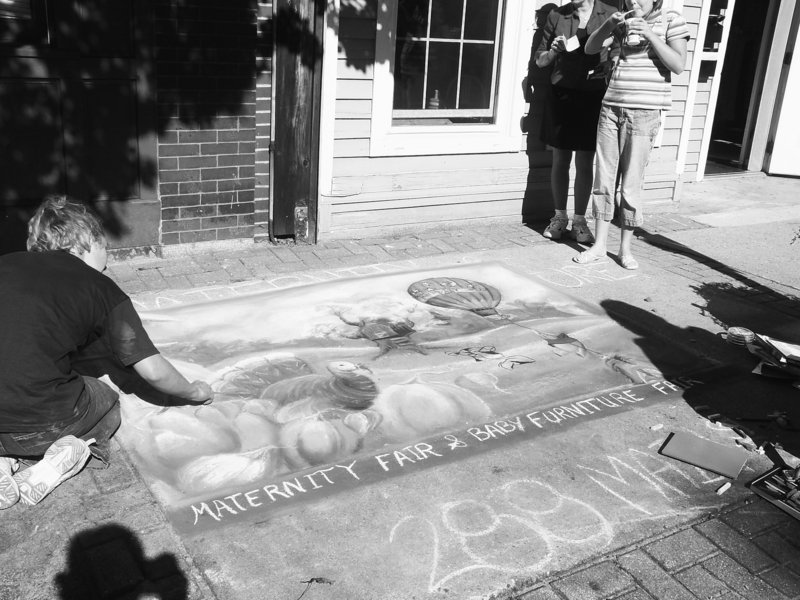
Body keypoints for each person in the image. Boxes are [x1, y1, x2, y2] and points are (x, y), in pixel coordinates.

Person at [0, 196, 214, 510]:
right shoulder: (100, 288)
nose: (108, 259)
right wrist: (195, 392)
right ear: (87, 241)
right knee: (109, 400)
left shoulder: (5, 262)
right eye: (106, 247)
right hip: (44, 425)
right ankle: (56, 462)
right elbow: (152, 370)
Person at [574, 0, 689, 269]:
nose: (634, 1)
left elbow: (678, 64)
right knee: (604, 179)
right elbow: (590, 48)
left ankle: (625, 249)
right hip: (612, 108)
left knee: (631, 184)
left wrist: (649, 33)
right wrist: (609, 25)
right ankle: (600, 246)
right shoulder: (622, 19)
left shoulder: (671, 18)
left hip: (645, 112)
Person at [532, 0, 617, 244]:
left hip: (593, 94)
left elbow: (619, 51)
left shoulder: (609, 15)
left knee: (585, 160)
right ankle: (559, 218)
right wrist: (553, 52)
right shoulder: (557, 15)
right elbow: (540, 60)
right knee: (560, 158)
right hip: (562, 92)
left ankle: (580, 222)